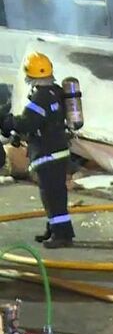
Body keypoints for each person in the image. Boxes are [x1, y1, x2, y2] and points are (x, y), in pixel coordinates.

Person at [0, 52, 74, 248]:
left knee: (51, 195)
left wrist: (7, 122)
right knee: (56, 194)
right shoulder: (55, 91)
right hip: (58, 150)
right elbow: (43, 122)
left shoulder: (40, 97)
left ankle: (61, 236)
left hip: (47, 154)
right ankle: (58, 229)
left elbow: (26, 123)